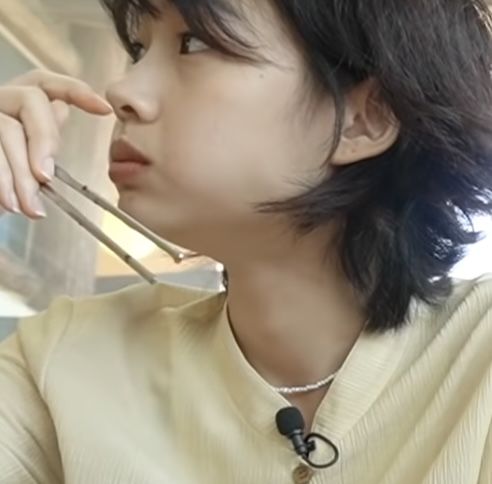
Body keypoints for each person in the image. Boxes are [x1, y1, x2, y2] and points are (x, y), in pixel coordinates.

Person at [0, 0, 491, 482]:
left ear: (365, 119)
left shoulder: (478, 363)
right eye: (138, 49)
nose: (122, 90)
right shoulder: (65, 361)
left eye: (193, 43)